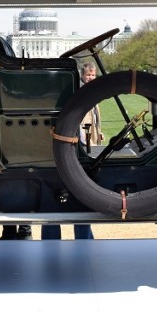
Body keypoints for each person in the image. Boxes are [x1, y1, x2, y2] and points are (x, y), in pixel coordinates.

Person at [42, 63, 100, 241]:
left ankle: (81, 237)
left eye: (93, 75)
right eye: (88, 75)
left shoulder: (90, 92)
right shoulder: (79, 93)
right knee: (79, 194)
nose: (90, 78)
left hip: (83, 144)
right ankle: (82, 238)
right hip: (75, 144)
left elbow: (95, 119)